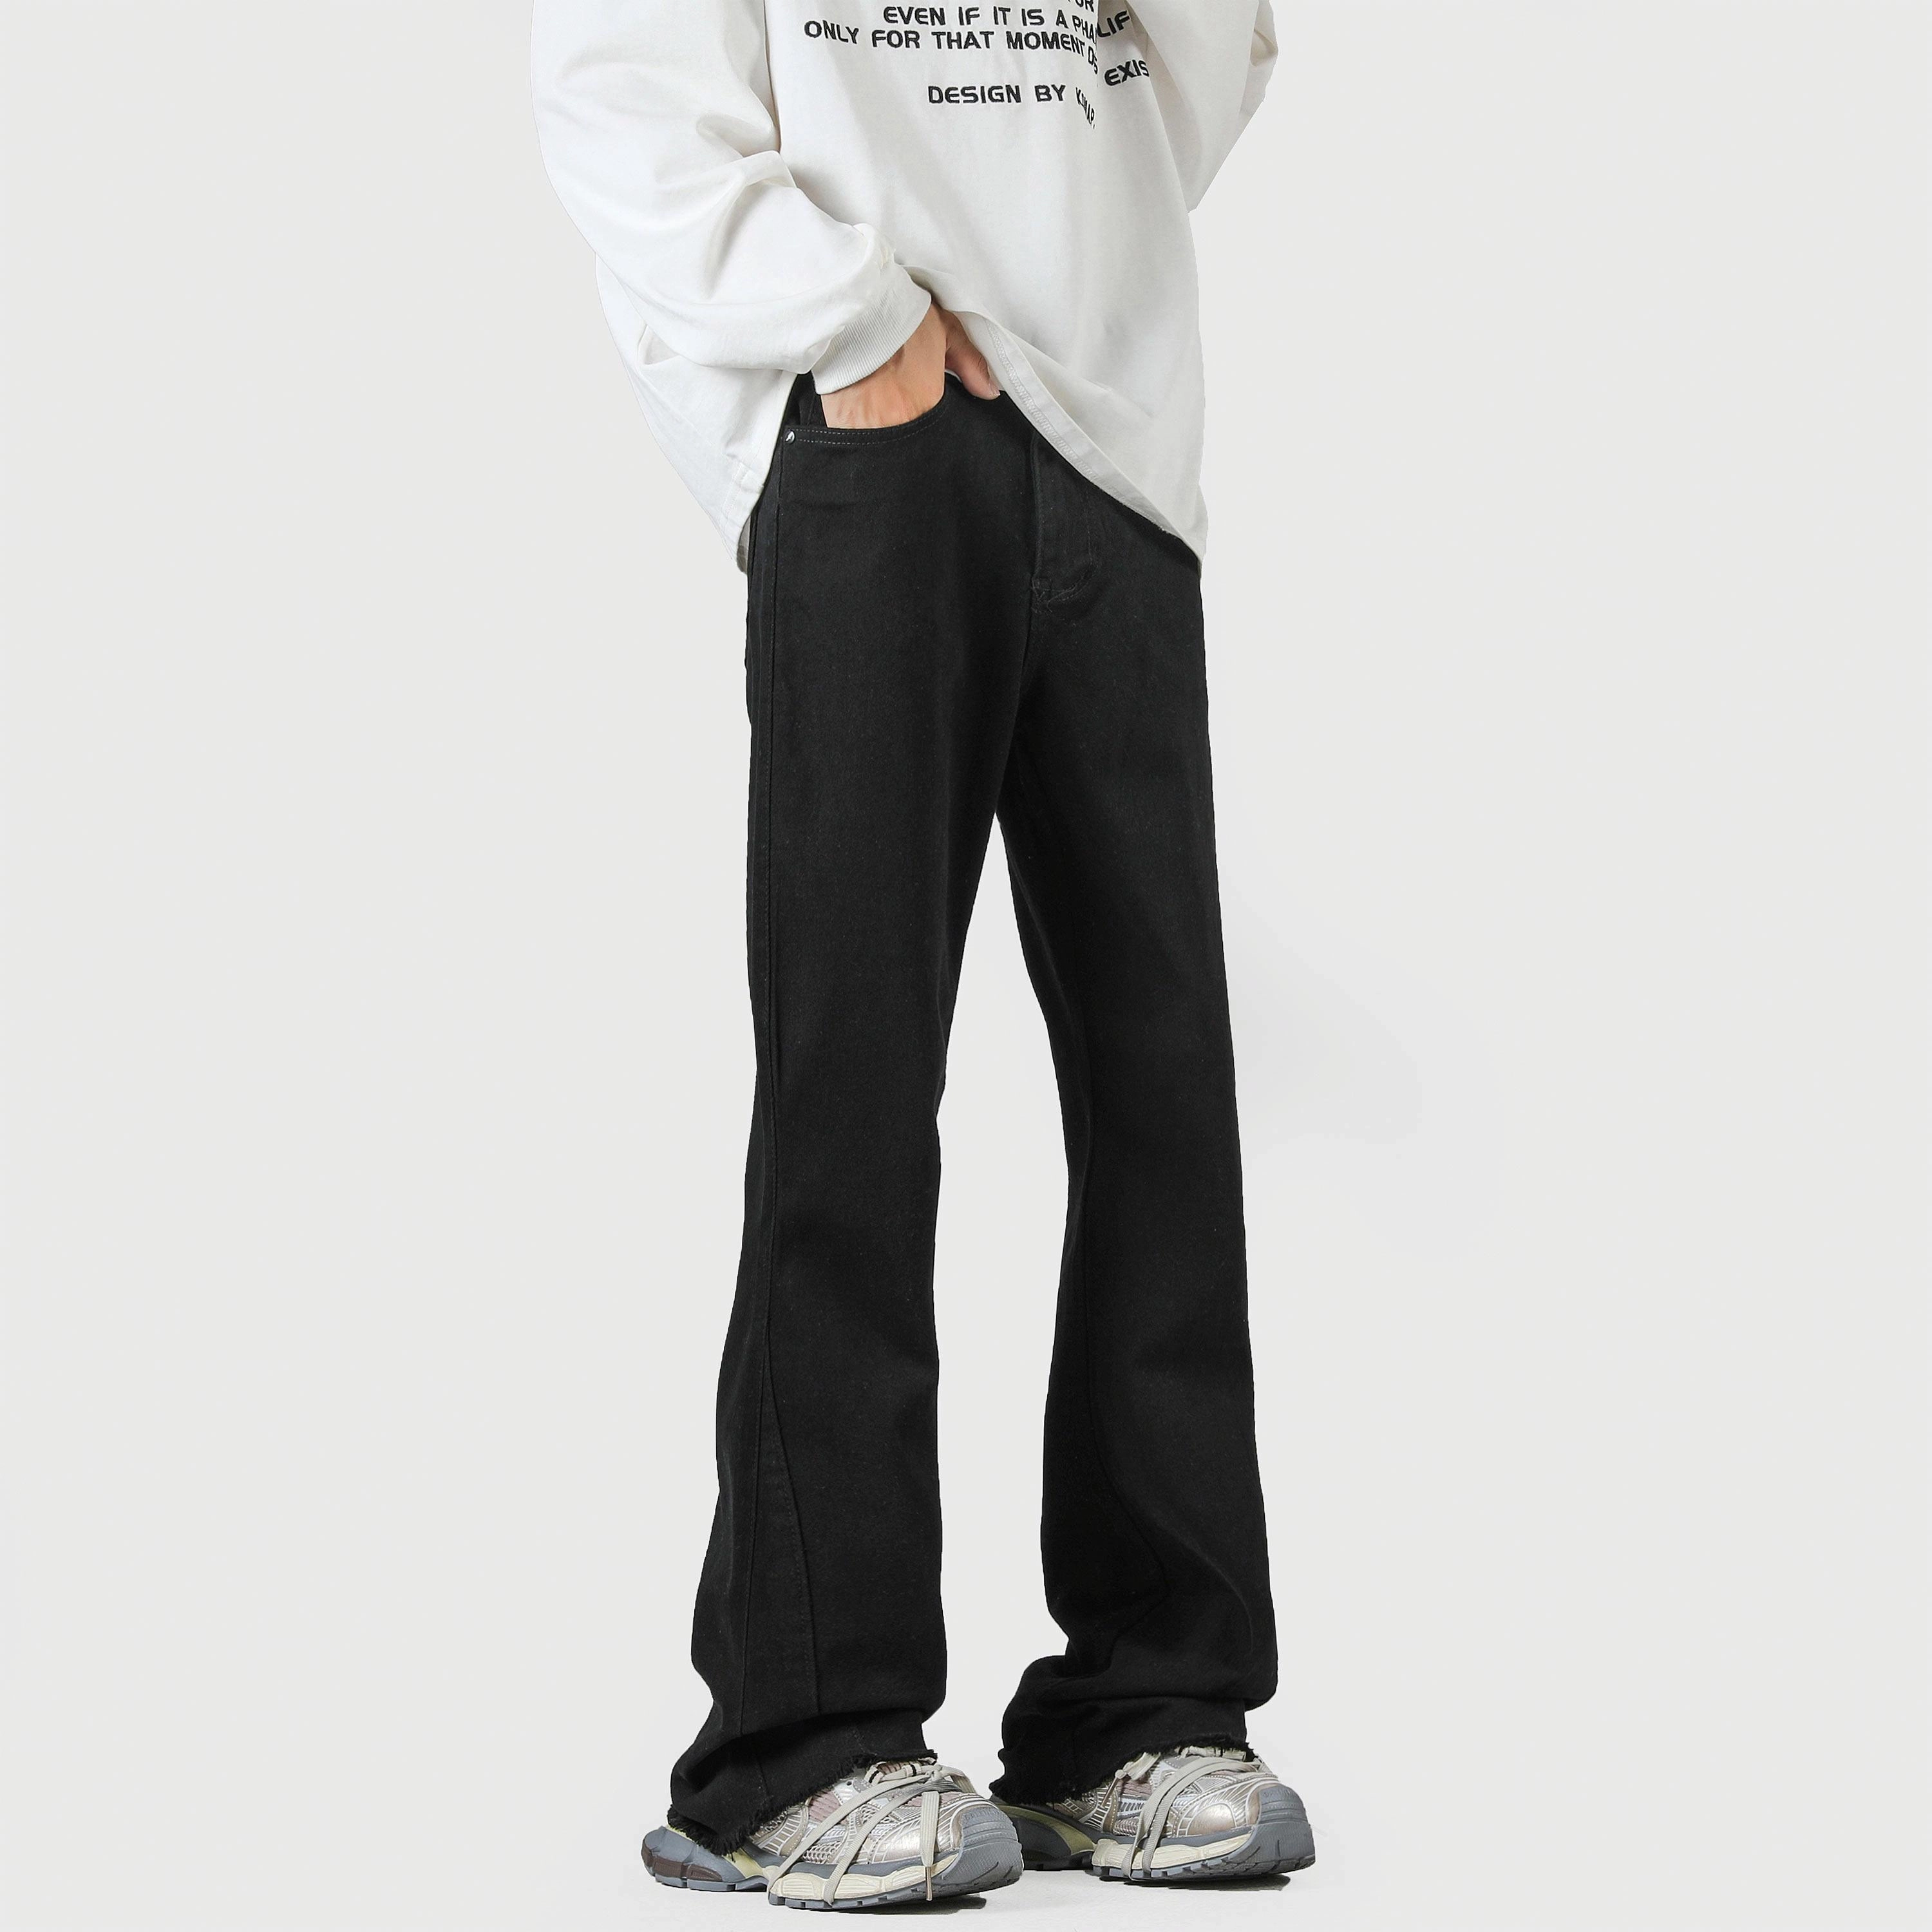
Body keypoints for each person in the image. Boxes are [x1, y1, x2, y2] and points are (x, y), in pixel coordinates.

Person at [532, 0, 1315, 1906]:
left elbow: (1199, 78)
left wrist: (1059, 290)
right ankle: (797, 1744)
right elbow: (621, 89)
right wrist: (853, 325)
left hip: (1118, 446)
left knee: (1164, 1097)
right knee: (856, 1096)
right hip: (871, 442)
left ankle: (1143, 1711)